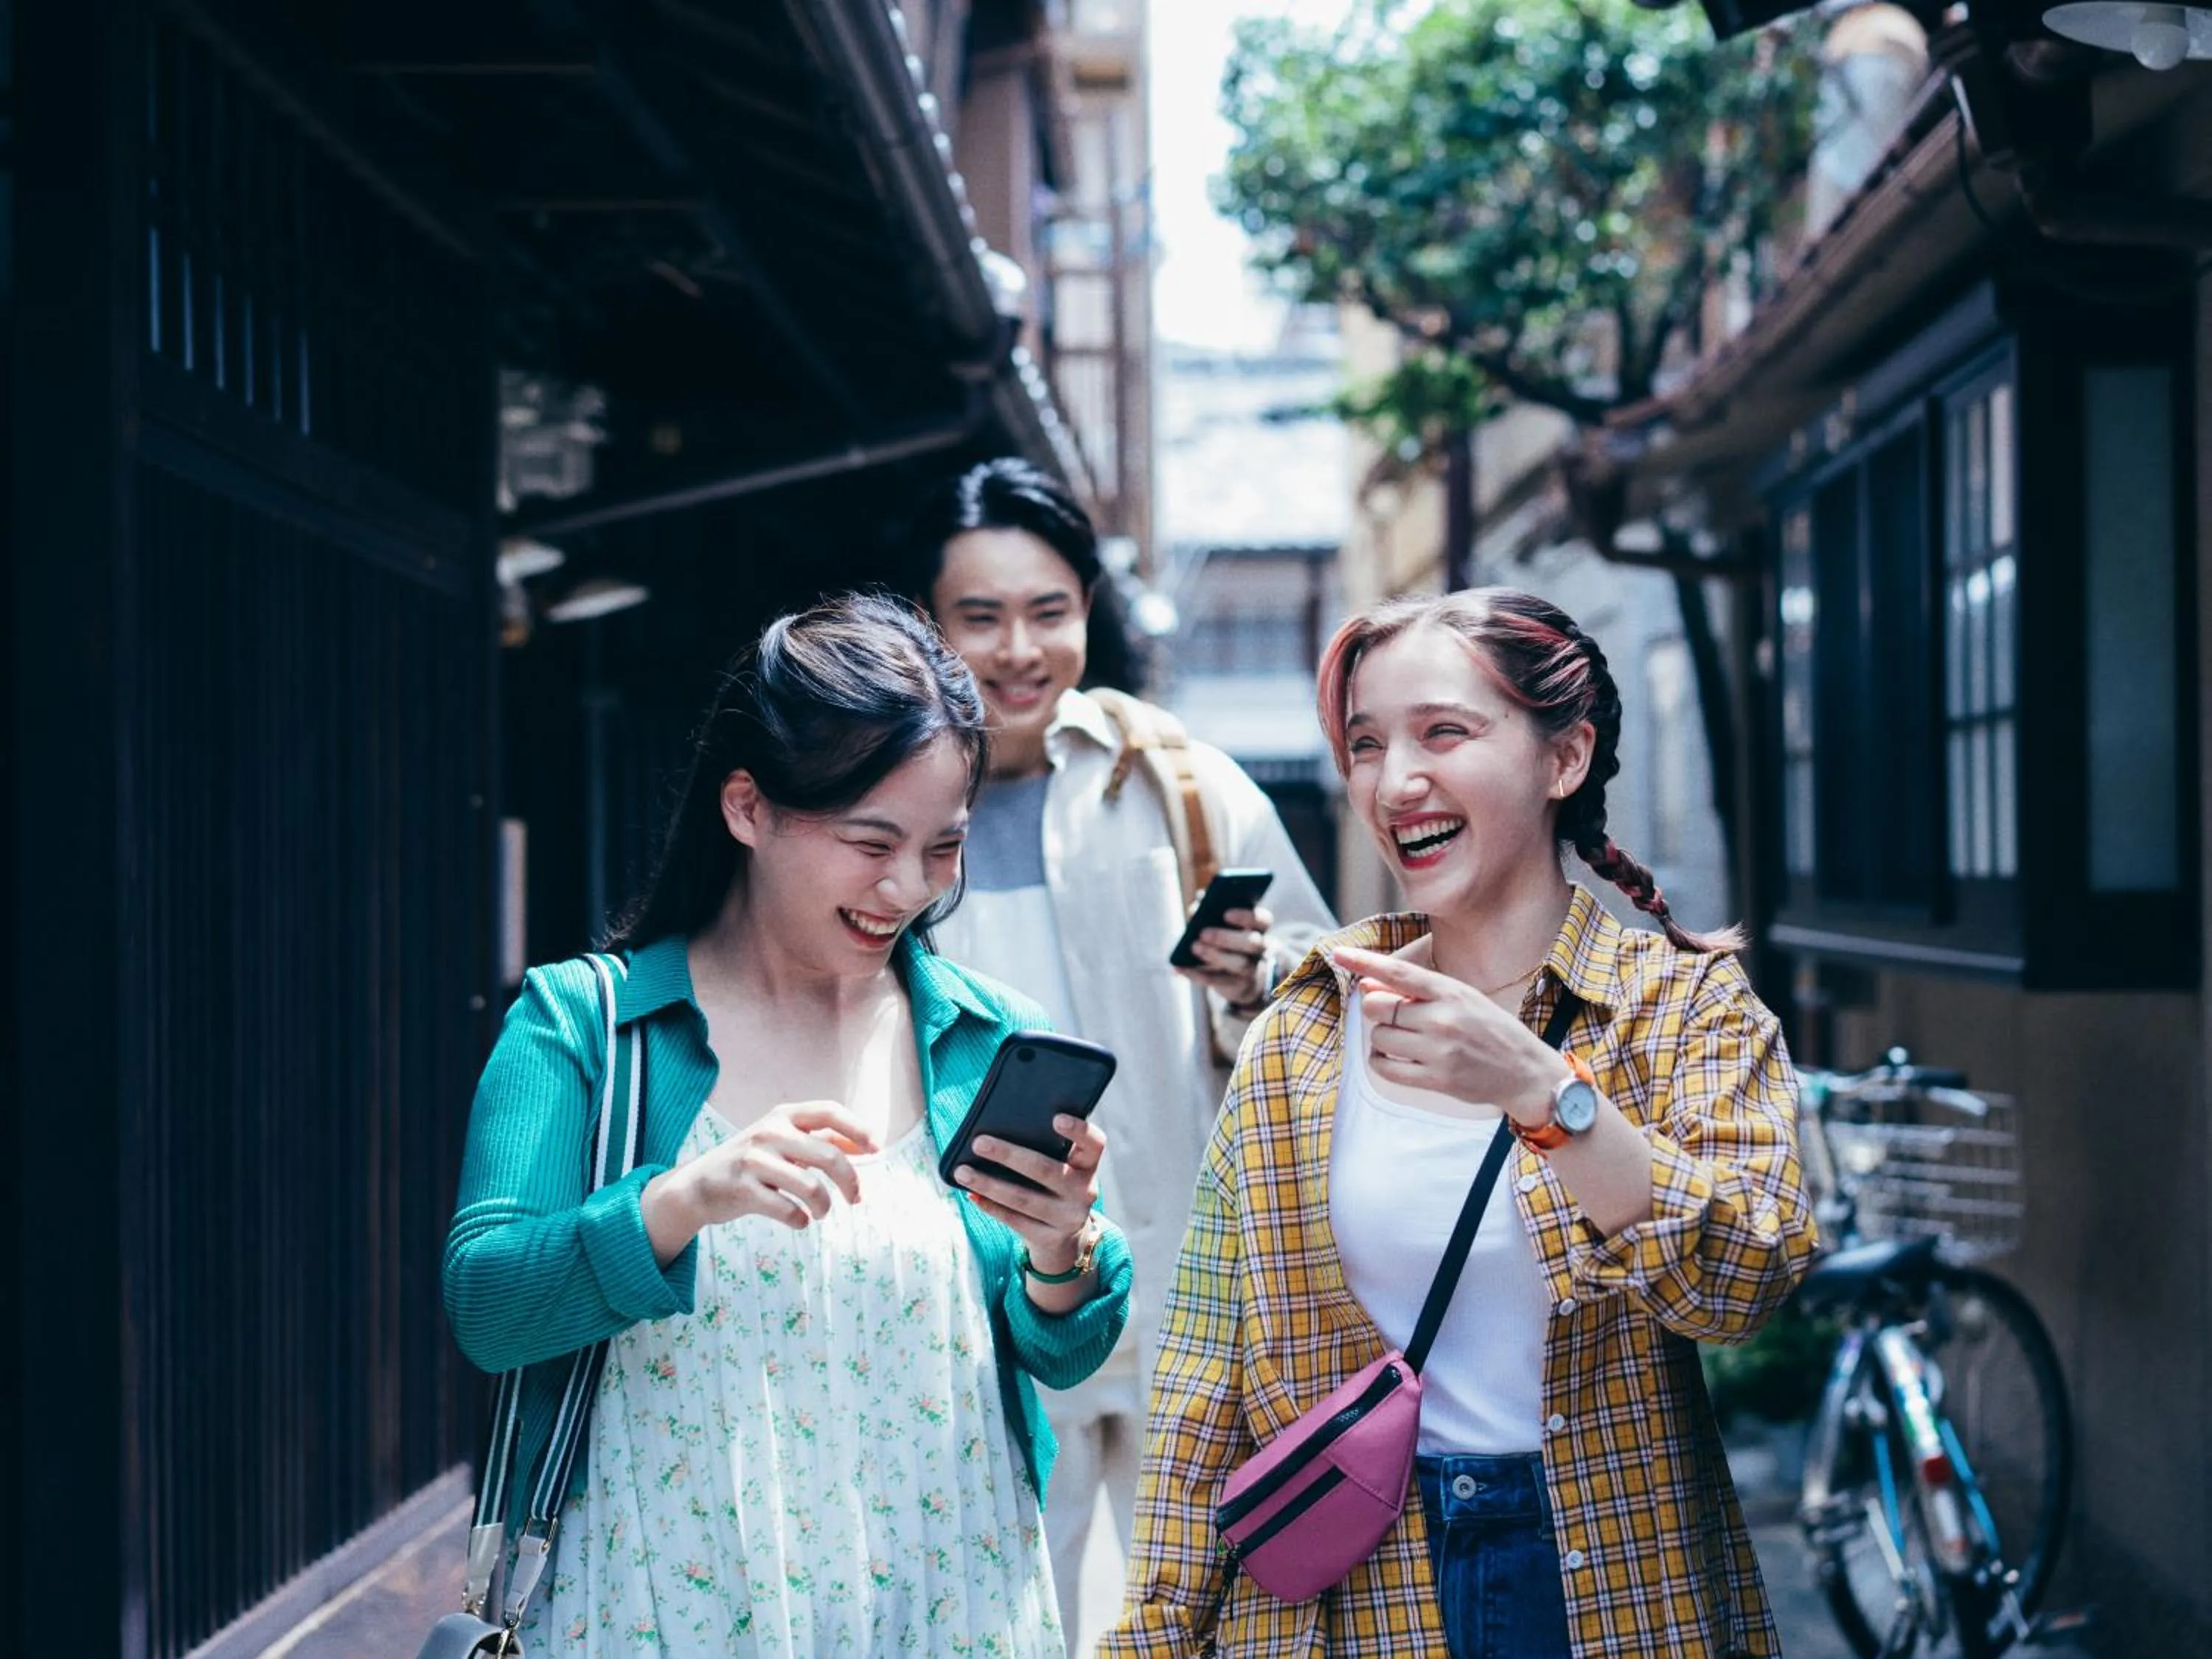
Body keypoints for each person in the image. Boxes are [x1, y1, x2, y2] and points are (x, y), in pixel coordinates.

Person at [1103, 588, 1818, 1659]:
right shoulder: (1303, 1031)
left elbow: (1744, 1281)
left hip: (1607, 1569)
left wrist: (1547, 1094)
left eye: (1444, 732)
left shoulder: (1684, 1009)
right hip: (1349, 1589)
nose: (1396, 784)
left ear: (1563, 758)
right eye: (1365, 744)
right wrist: (1154, 1633)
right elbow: (1210, 1363)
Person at [444, 594, 1133, 1657]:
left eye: (944, 846)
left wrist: (1061, 1250)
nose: (908, 887)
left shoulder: (990, 1036)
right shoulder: (583, 1028)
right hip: (661, 1612)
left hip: (950, 1606)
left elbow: (1068, 1344)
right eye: (871, 841)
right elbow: (489, 1305)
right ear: (747, 807)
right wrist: (677, 1203)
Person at [903, 458, 1337, 1646]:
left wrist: (1256, 975)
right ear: (929, 626)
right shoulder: (880, 802)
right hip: (975, 1295)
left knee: (1201, 1617)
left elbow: (1327, 974)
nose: (1018, 650)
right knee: (1004, 1617)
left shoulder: (1174, 781)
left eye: (1049, 611)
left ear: (1087, 610)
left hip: (1184, 1269)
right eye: (978, 617)